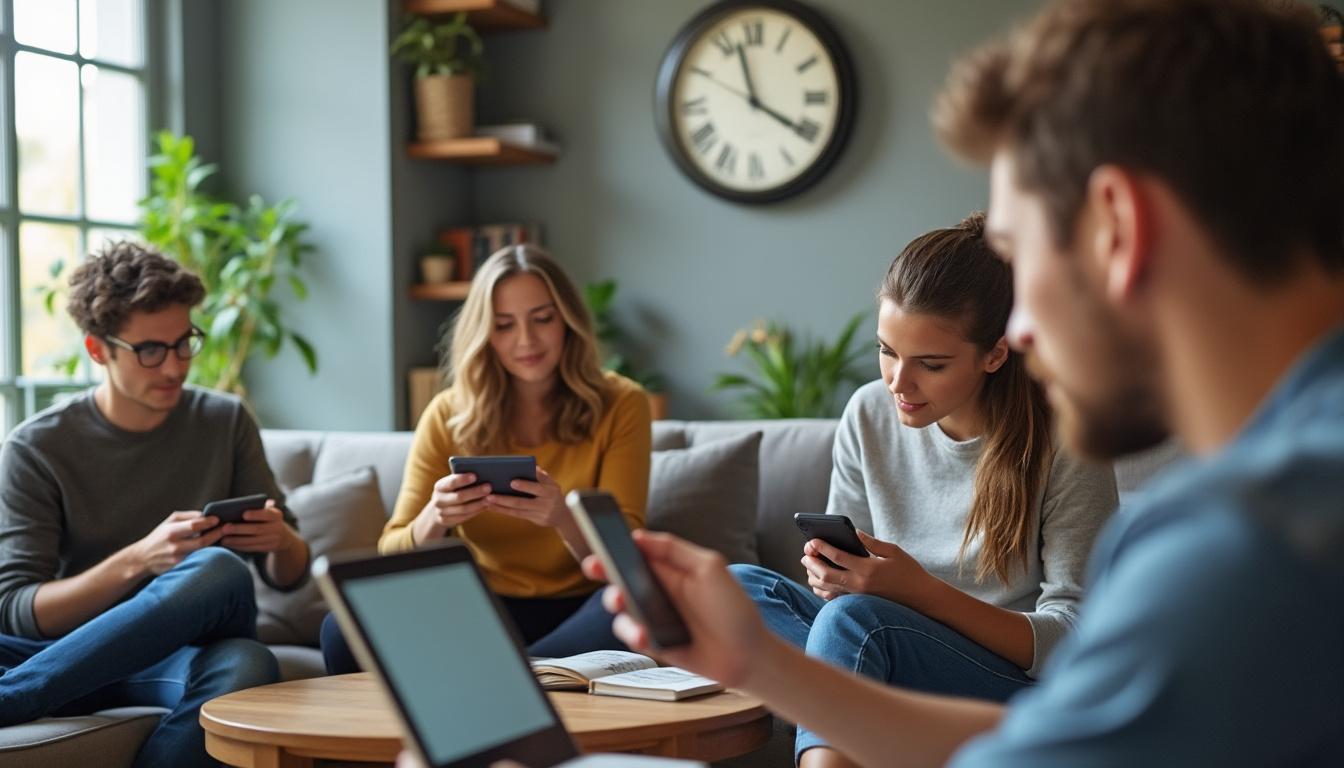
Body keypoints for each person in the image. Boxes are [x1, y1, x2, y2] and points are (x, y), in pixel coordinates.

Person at [586, 0, 1344, 765]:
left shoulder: (1249, 542)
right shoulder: (1281, 491)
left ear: (1118, 226)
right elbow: (1056, 744)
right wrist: (760, 664)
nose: (1019, 333)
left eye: (1023, 253)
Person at [730, 213, 1116, 766]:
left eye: (930, 364)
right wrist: (832, 574)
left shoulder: (1065, 438)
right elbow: (847, 584)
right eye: (887, 351)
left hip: (1009, 684)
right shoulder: (868, 412)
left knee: (854, 625)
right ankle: (873, 698)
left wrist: (920, 593)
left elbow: (1074, 641)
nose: (898, 383)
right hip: (881, 642)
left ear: (995, 354)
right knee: (741, 588)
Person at [0, 243, 311, 768]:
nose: (174, 366)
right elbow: (18, 612)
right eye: (150, 350)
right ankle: (24, 689)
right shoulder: (37, 447)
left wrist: (281, 541)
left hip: (180, 652)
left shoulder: (225, 420)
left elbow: (290, 575)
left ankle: (14, 697)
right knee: (245, 650)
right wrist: (140, 559)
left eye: (184, 343)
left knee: (220, 580)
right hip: (64, 652)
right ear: (99, 350)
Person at [320, 244, 651, 674]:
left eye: (542, 318)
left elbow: (628, 559)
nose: (526, 340)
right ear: (484, 332)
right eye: (504, 325)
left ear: (568, 319)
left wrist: (562, 517)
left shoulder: (622, 402)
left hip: (585, 607)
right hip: (482, 610)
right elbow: (392, 548)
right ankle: (529, 674)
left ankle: (509, 676)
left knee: (629, 611)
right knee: (343, 628)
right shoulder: (448, 413)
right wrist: (435, 517)